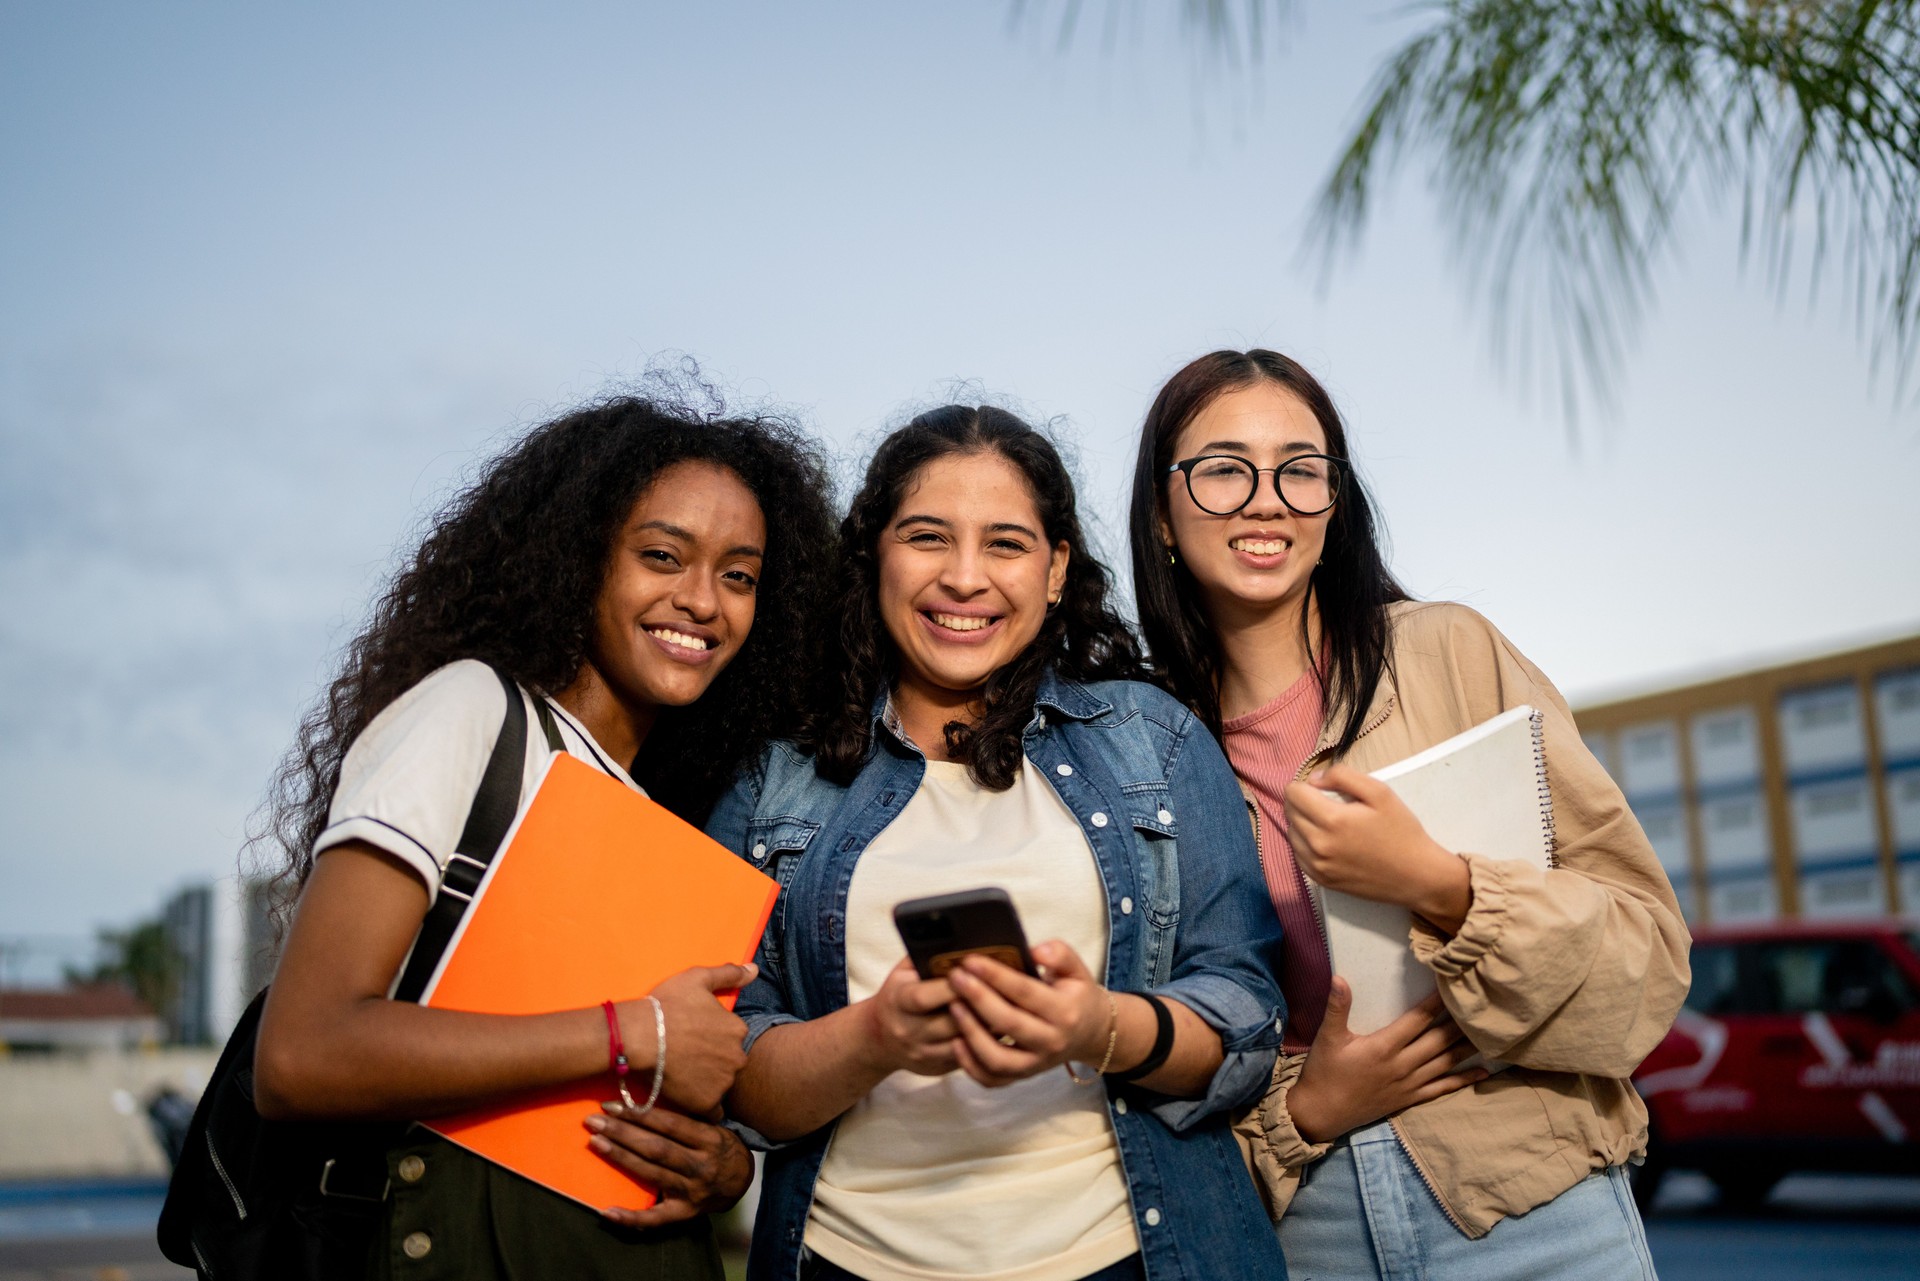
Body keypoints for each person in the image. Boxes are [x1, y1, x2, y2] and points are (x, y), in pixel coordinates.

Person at [1127, 348, 1689, 1279]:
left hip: (1530, 1202)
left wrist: (1439, 883)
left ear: (1334, 502)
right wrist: (1305, 1112)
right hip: (1306, 1231)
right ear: (1162, 510)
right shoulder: (1143, 753)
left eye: (1301, 470)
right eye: (1223, 469)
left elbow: (1648, 966)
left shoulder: (1448, 651)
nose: (1266, 500)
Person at [250, 391, 838, 1279]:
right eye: (661, 556)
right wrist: (632, 1028)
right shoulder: (472, 713)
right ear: (577, 558)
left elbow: (615, 1094)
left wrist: (718, 1166)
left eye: (740, 575)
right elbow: (301, 1057)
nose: (702, 601)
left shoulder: (664, 809)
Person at [710, 405, 1290, 1281]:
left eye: (1007, 543)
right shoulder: (774, 775)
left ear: (1057, 568)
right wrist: (875, 1035)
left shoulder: (1153, 737)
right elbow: (729, 1064)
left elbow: (1246, 1013)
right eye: (927, 537)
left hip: (1136, 1255)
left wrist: (1101, 1025)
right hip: (844, 1261)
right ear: (873, 556)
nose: (965, 577)